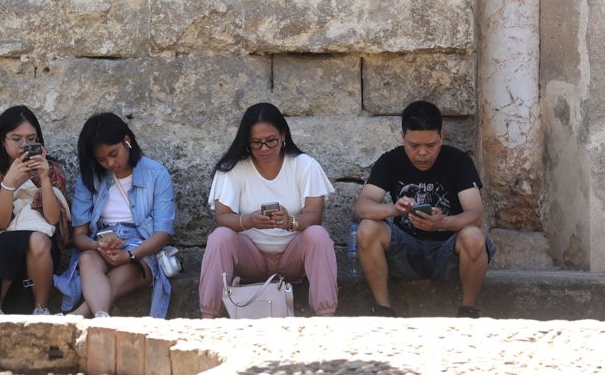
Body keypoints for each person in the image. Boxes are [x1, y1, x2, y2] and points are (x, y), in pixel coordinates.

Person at [354, 100, 496, 318]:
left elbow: (475, 215)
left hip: (448, 254)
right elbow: (363, 207)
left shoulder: (458, 161)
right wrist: (393, 209)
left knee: (474, 236)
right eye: (413, 146)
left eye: (430, 146)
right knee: (367, 229)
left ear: (442, 137)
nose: (422, 153)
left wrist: (443, 223)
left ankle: (467, 310)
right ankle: (383, 310)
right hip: (403, 252)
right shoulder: (391, 160)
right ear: (402, 137)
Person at [197, 102, 338, 317]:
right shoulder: (233, 169)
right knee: (220, 237)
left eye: (270, 141)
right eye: (256, 143)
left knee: (317, 235)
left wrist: (292, 222)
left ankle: (326, 316)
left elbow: (314, 215)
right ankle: (208, 317)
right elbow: (223, 217)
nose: (264, 149)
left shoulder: (304, 165)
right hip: (251, 257)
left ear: (282, 135)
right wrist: (249, 221)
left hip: (292, 256)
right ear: (247, 142)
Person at [54, 112, 176, 318]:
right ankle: (101, 317)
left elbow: (163, 232)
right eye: (101, 159)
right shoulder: (90, 178)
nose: (110, 163)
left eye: (114, 153)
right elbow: (80, 235)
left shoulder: (156, 173)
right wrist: (98, 246)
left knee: (120, 274)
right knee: (87, 260)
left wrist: (130, 255)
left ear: (127, 141)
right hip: (102, 244)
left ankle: (77, 316)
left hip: (142, 249)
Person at [0, 105, 71, 316]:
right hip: (3, 250)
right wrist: (9, 183)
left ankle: (42, 309)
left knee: (38, 240)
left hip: (42, 251)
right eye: (16, 139)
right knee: (11, 241)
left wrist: (45, 178)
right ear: (3, 141)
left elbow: (52, 219)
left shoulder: (53, 171)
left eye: (31, 139)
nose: (24, 145)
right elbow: (0, 224)